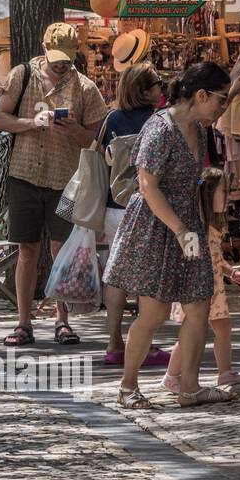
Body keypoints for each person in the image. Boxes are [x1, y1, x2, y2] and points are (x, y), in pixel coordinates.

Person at [104, 62, 233, 409]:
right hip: (156, 227)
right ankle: (128, 386)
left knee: (198, 306)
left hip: (187, 224)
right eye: (221, 99)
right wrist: (179, 230)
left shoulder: (200, 130)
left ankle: (188, 387)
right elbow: (148, 186)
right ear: (201, 95)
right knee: (154, 312)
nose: (224, 107)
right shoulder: (160, 127)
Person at [0, 23, 109, 349]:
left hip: (65, 179)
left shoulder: (85, 88)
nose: (62, 64)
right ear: (44, 48)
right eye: (57, 58)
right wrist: (32, 123)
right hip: (24, 174)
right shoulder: (22, 76)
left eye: (68, 59)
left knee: (62, 251)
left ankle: (62, 320)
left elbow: (98, 139)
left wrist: (75, 131)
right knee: (26, 251)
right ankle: (23, 322)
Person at [99, 62, 167, 367]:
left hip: (114, 206)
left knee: (116, 274)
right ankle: (146, 346)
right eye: (157, 83)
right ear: (145, 90)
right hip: (147, 206)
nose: (161, 88)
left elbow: (98, 157)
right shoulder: (158, 122)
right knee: (145, 277)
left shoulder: (112, 118)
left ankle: (114, 343)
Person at [163, 167, 240, 392]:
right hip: (196, 287)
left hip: (214, 287)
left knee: (223, 327)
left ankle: (225, 373)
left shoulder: (215, 224)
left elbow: (216, 258)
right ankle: (172, 376)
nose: (229, 196)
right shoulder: (195, 225)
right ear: (209, 193)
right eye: (225, 191)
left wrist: (232, 272)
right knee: (191, 330)